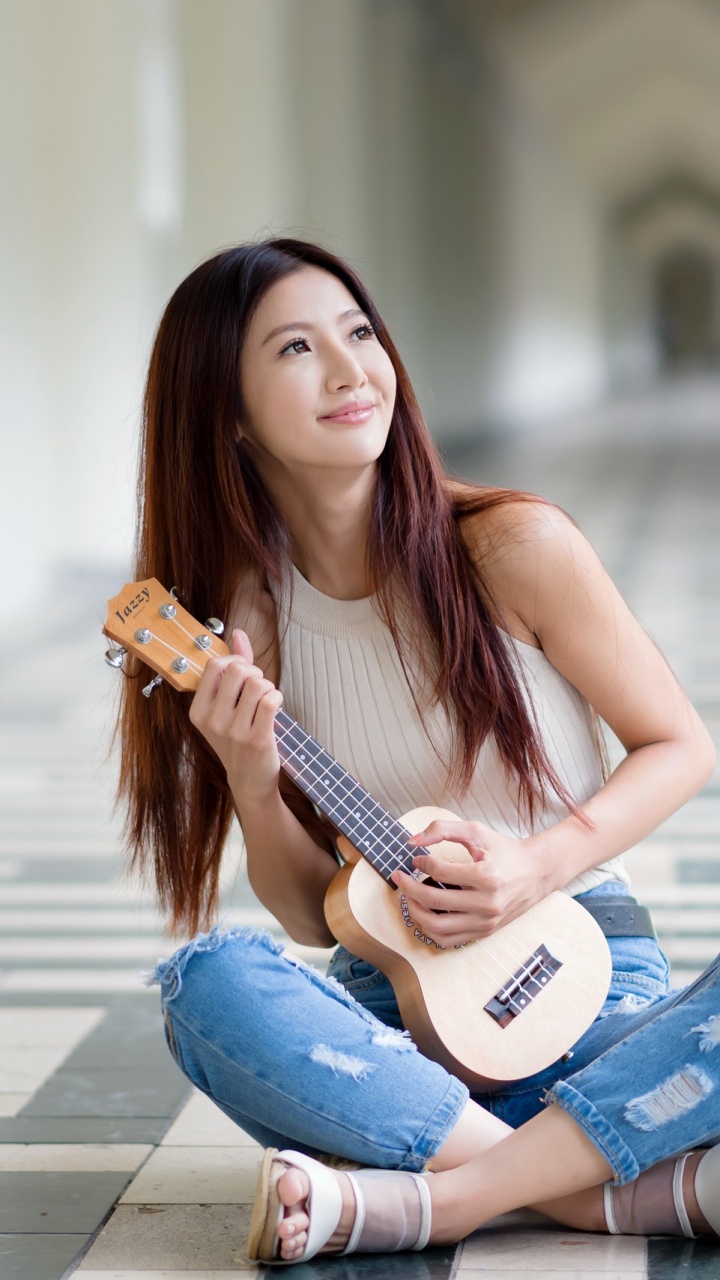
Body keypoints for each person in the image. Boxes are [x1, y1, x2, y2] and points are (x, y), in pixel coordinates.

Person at [118, 238, 717, 1262]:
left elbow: (680, 744)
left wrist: (534, 864)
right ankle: (583, 1183)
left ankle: (437, 1196)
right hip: (392, 1023)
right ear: (227, 410)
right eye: (298, 347)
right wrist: (253, 783)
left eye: (359, 332)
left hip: (590, 983)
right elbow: (316, 913)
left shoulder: (511, 546)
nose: (353, 371)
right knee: (207, 984)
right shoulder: (246, 622)